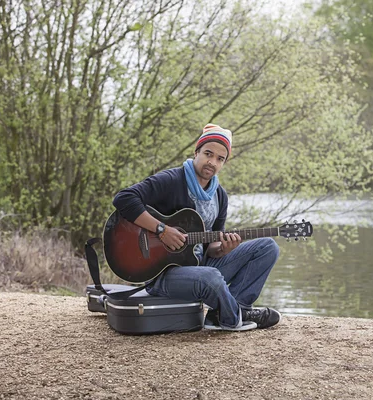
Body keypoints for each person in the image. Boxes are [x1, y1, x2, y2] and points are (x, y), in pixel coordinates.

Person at [112, 124, 281, 331]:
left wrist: (222, 249)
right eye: (208, 154)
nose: (212, 162)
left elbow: (211, 245)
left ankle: (229, 311)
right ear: (196, 152)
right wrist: (161, 230)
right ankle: (233, 318)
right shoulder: (172, 180)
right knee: (211, 277)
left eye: (220, 159)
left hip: (200, 267)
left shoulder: (220, 195)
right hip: (165, 275)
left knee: (268, 247)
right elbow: (124, 198)